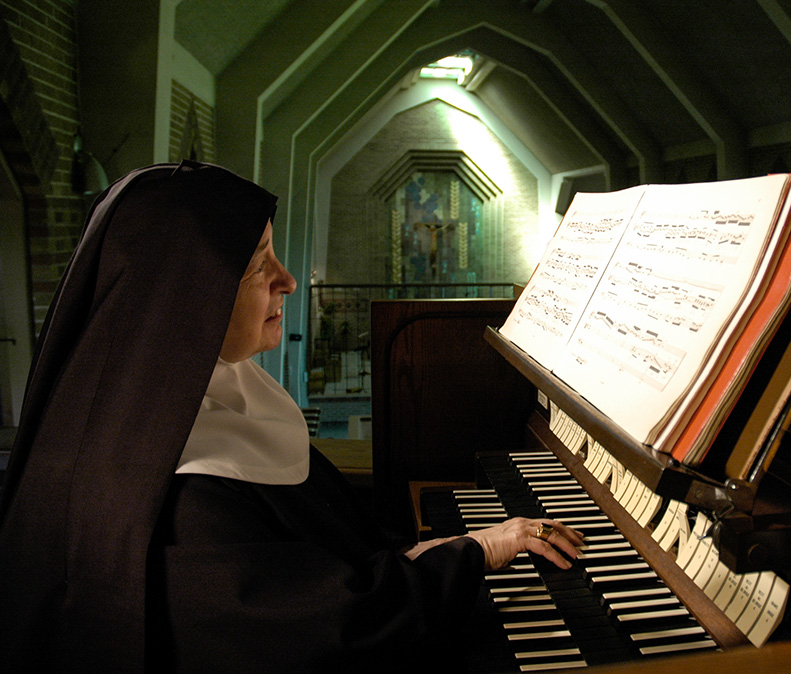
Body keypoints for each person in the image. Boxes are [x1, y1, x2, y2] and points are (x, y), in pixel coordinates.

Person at [0, 161, 582, 673]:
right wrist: (476, 552)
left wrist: (433, 551)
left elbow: (327, 551)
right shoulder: (178, 510)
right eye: (259, 266)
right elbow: (329, 633)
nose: (288, 279)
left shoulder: (207, 392)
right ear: (188, 301)